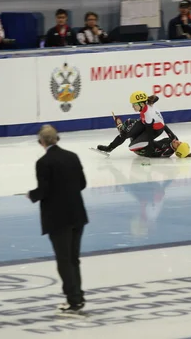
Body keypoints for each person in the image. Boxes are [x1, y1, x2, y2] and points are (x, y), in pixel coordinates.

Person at [28, 125, 88, 315]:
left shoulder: (43, 163)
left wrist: (32, 195)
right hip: (77, 215)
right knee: (73, 259)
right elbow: (82, 184)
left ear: (42, 142)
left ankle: (74, 299)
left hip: (58, 218)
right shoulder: (72, 156)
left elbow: (43, 191)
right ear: (57, 138)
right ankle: (77, 296)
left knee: (64, 260)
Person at [97, 91, 167, 156]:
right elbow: (156, 98)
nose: (132, 106)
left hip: (154, 130)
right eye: (132, 104)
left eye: (134, 104)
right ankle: (109, 148)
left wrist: (150, 149)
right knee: (124, 133)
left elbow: (150, 134)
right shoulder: (146, 104)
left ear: (142, 104)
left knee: (132, 147)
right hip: (145, 123)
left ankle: (162, 145)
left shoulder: (148, 114)